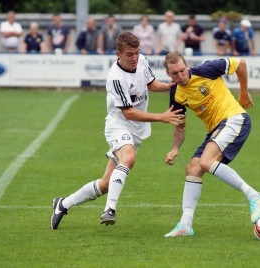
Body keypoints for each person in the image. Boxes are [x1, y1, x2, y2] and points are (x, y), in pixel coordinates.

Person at [50, 32, 185, 230]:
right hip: (118, 125)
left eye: (137, 53)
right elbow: (129, 113)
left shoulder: (142, 62)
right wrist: (161, 117)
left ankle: (62, 204)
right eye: (130, 54)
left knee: (106, 184)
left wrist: (169, 86)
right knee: (128, 157)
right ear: (118, 54)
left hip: (136, 130)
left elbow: (150, 84)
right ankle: (110, 210)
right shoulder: (115, 78)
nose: (135, 58)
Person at [162, 52, 260, 237]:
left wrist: (243, 93)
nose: (180, 75)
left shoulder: (206, 70)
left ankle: (255, 196)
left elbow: (240, 64)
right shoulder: (176, 94)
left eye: (181, 70)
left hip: (235, 118)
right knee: (193, 168)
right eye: (174, 73)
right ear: (168, 74)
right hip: (217, 129)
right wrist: (174, 148)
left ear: (186, 65)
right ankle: (185, 225)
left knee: (205, 161)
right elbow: (179, 124)